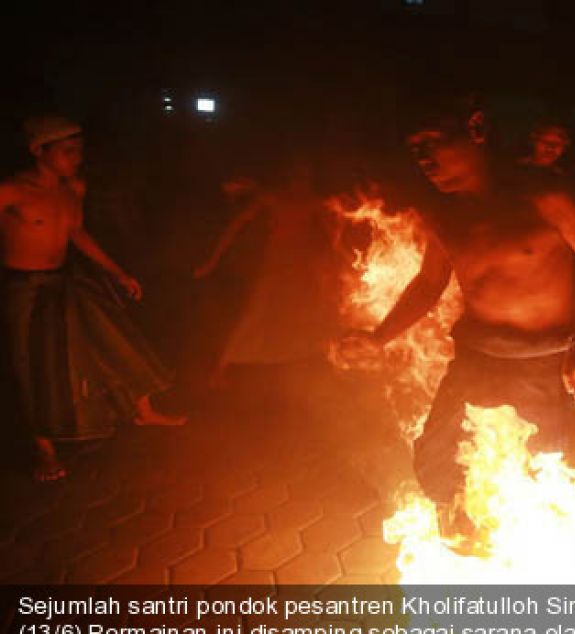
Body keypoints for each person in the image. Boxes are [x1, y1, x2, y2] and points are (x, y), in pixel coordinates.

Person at [339, 95, 575, 536]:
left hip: (544, 363)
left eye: (432, 141)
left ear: (476, 128)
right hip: (475, 359)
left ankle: (529, 569)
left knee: (539, 472)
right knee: (439, 461)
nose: (423, 158)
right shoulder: (444, 214)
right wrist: (379, 337)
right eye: (414, 148)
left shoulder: (546, 198)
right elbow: (429, 284)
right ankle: (460, 551)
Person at [1, 116, 184, 482]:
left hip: (62, 280)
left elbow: (77, 233)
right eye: (68, 151)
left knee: (112, 335)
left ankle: (143, 410)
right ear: (40, 151)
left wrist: (117, 272)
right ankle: (45, 451)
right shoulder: (12, 190)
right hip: (24, 288)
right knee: (32, 367)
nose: (77, 157)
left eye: (79, 150)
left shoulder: (73, 191)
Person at [194, 159, 340, 380]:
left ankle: (295, 375)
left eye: (303, 178)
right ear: (289, 178)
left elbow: (334, 238)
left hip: (300, 270)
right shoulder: (273, 197)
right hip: (273, 268)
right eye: (295, 177)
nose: (298, 183)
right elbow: (237, 225)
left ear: (310, 181)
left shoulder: (314, 202)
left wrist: (348, 263)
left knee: (301, 316)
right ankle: (221, 368)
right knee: (253, 313)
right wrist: (212, 262)